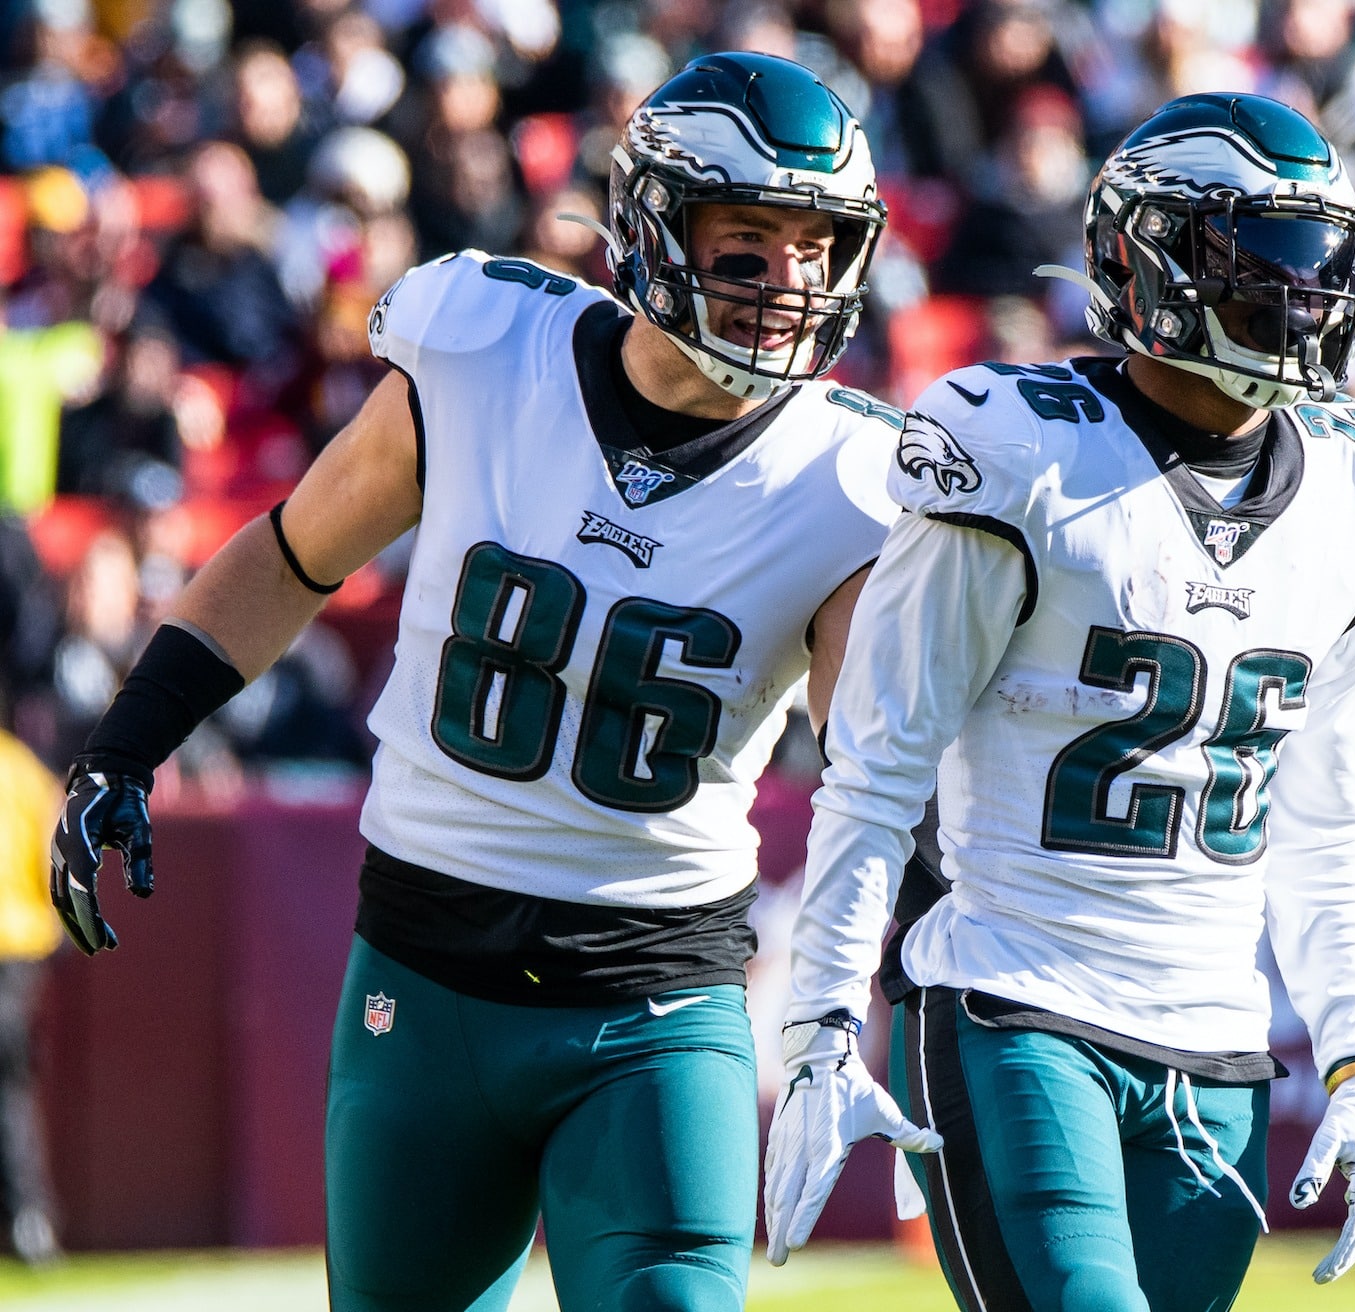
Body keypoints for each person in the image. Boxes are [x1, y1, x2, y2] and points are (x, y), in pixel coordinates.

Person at [48, 51, 896, 1312]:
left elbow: (872, 772)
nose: (790, 287)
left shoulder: (851, 481)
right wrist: (129, 739)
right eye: (749, 246)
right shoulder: (485, 350)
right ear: (657, 229)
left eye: (816, 250)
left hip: (657, 1001)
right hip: (424, 978)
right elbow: (290, 554)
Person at [763, 92, 1355, 1311]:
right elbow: (877, 763)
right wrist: (818, 1027)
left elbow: (1321, 811)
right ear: (1151, 260)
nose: (1302, 297)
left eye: (1316, 260)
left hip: (1219, 1044)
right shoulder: (1024, 450)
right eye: (1263, 262)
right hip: (1020, 1001)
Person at [0, 713, 64, 1266]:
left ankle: (29, 1218)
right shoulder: (25, 770)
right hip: (23, 948)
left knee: (9, 1086)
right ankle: (29, 1218)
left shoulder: (20, 771)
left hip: (12, 948)